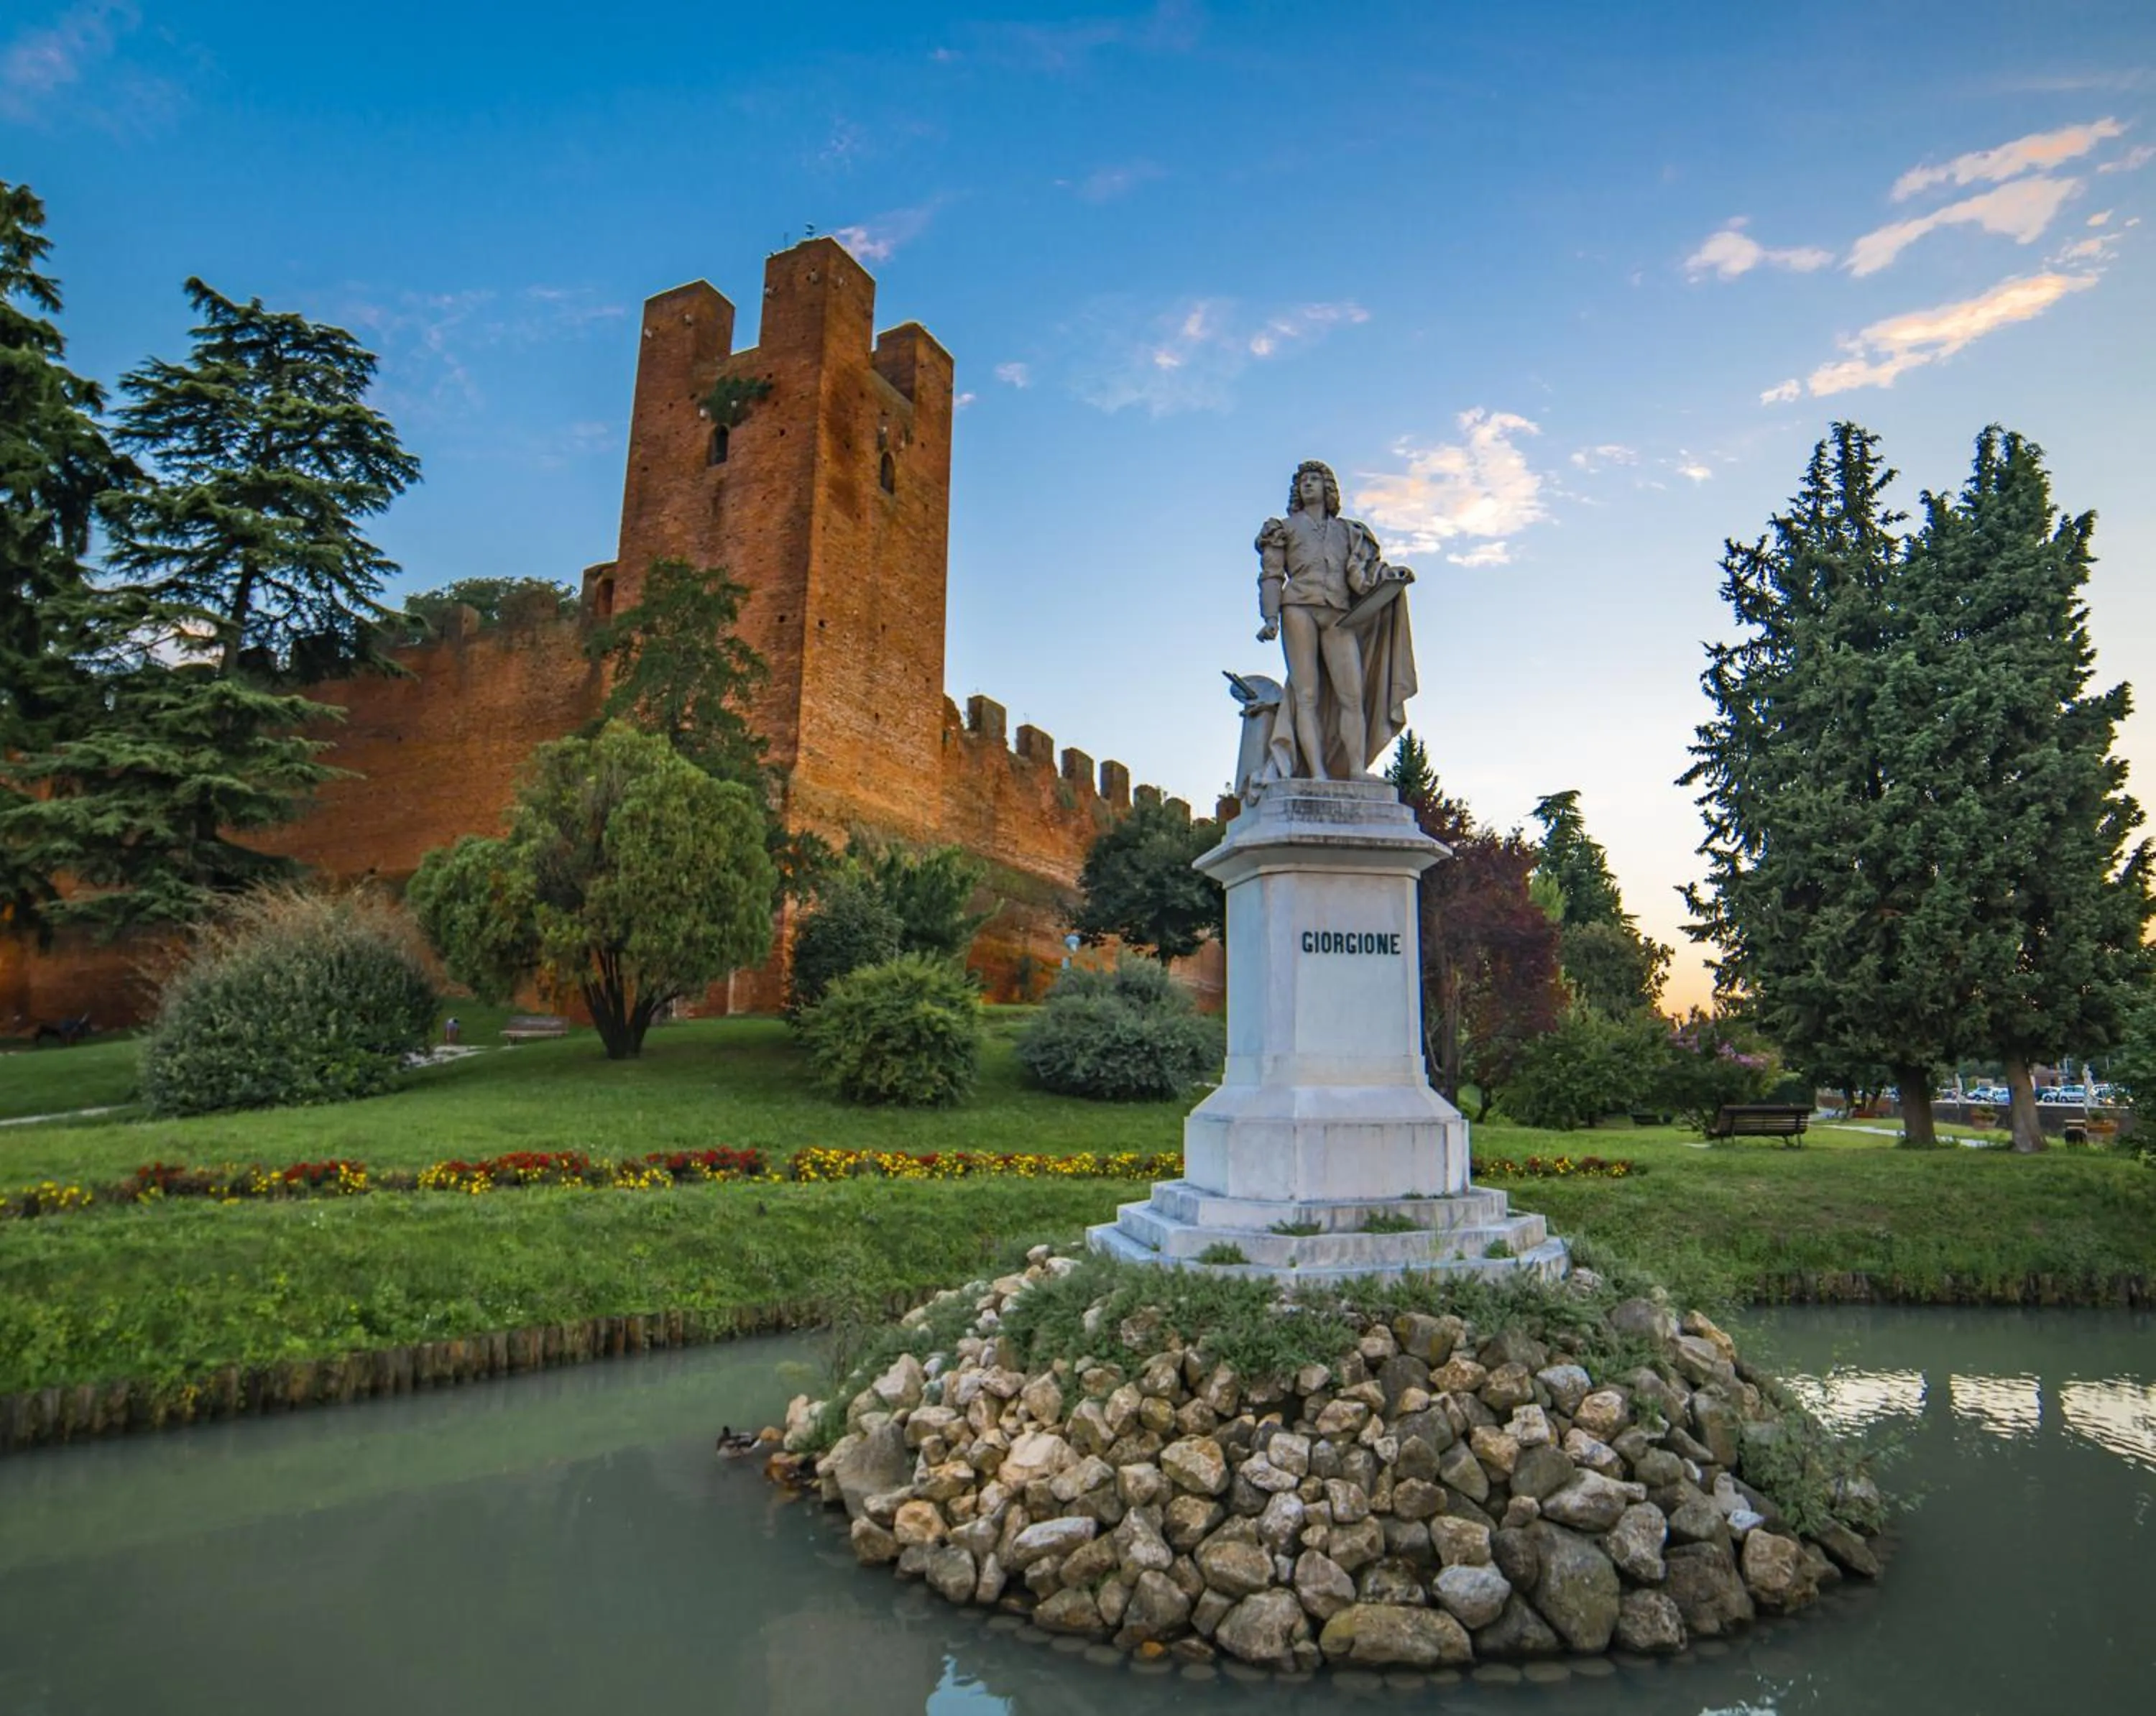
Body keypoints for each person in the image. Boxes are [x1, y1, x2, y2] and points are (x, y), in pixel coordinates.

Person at [1250, 460, 1419, 783]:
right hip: (1298, 608)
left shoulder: (1348, 532)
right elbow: (1271, 575)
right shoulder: (1282, 528)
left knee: (1352, 695)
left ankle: (1356, 769)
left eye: (1315, 479)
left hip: (1339, 616)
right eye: (1303, 481)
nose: (1308, 485)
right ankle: (1318, 774)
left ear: (1328, 488)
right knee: (1307, 696)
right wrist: (1270, 617)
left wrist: (1389, 578)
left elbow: (1360, 578)